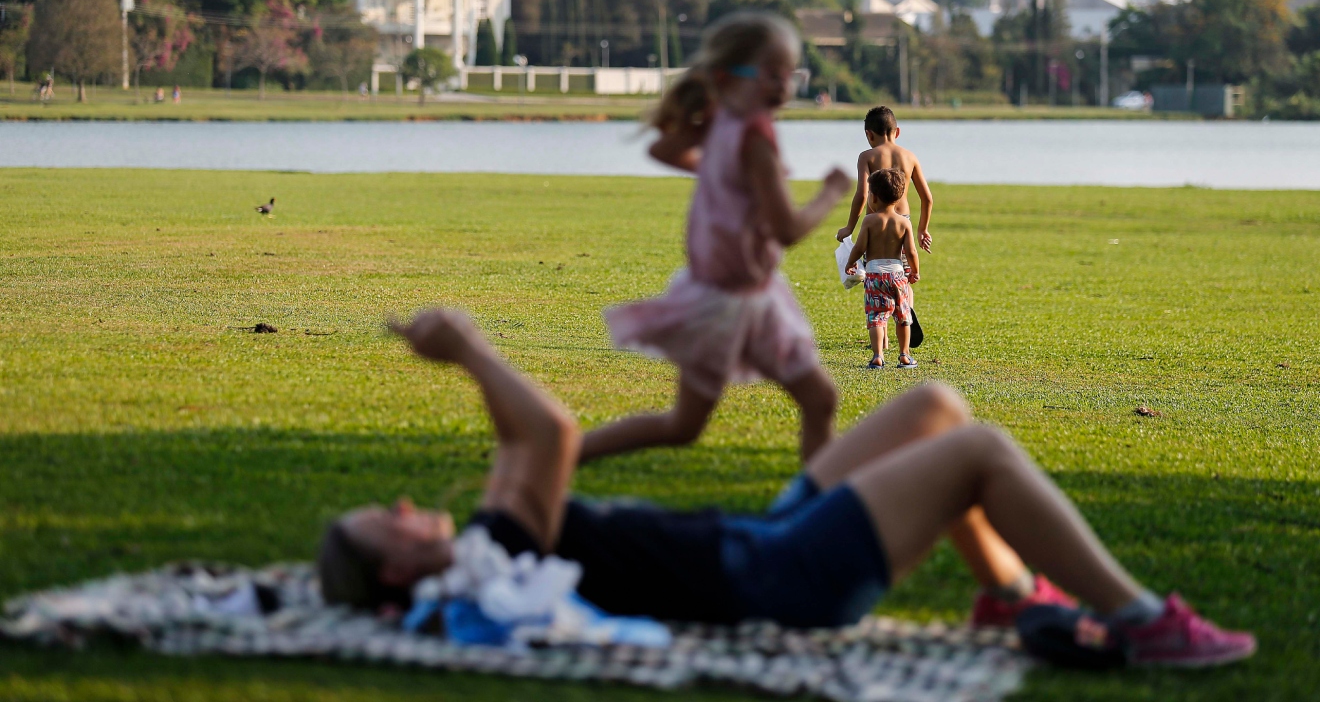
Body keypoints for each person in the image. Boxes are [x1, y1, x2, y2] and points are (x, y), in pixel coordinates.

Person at [319, 308, 1256, 667]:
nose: (404, 508)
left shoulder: (491, 541)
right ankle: (1144, 620)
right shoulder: (502, 566)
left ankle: (1010, 598)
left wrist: (471, 365)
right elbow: (551, 434)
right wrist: (471, 351)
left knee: (933, 403)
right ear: (399, 576)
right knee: (984, 454)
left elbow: (529, 443)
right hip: (778, 580)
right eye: (386, 524)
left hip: (753, 540)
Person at [582, 11, 849, 464]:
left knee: (815, 400)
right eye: (770, 74)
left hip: (754, 298)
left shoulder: (724, 121)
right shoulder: (754, 135)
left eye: (789, 74)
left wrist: (722, 174)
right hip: (724, 305)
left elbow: (662, 148)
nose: (783, 85)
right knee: (688, 425)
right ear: (728, 78)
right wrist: (830, 193)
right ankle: (564, 453)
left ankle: (814, 509)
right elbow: (786, 231)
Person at [836, 106, 934, 354]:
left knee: (877, 275)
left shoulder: (866, 156)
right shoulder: (909, 156)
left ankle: (882, 339)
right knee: (902, 277)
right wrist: (922, 229)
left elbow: (862, 194)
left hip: (875, 222)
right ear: (897, 131)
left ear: (869, 134)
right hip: (904, 222)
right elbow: (927, 198)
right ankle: (905, 315)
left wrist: (849, 226)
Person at [845, 168, 919, 370]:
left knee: (876, 317)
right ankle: (904, 355)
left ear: (874, 197)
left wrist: (850, 262)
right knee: (903, 316)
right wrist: (914, 270)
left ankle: (878, 356)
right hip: (898, 275)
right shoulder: (904, 222)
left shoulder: (869, 221)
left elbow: (860, 247)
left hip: (874, 276)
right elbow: (911, 251)